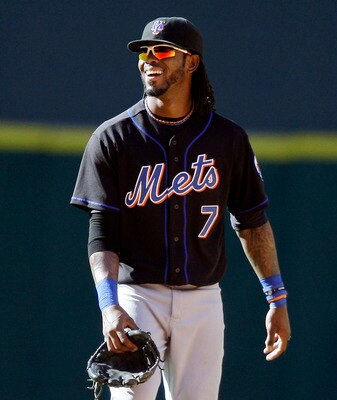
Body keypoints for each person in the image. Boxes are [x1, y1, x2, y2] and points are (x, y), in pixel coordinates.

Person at [71, 16, 291, 400]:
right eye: (144, 51)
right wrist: (109, 307)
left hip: (203, 299)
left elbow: (252, 222)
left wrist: (277, 299)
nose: (149, 59)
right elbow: (102, 232)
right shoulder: (112, 138)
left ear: (191, 62)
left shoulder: (228, 139)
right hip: (137, 296)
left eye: (162, 51)